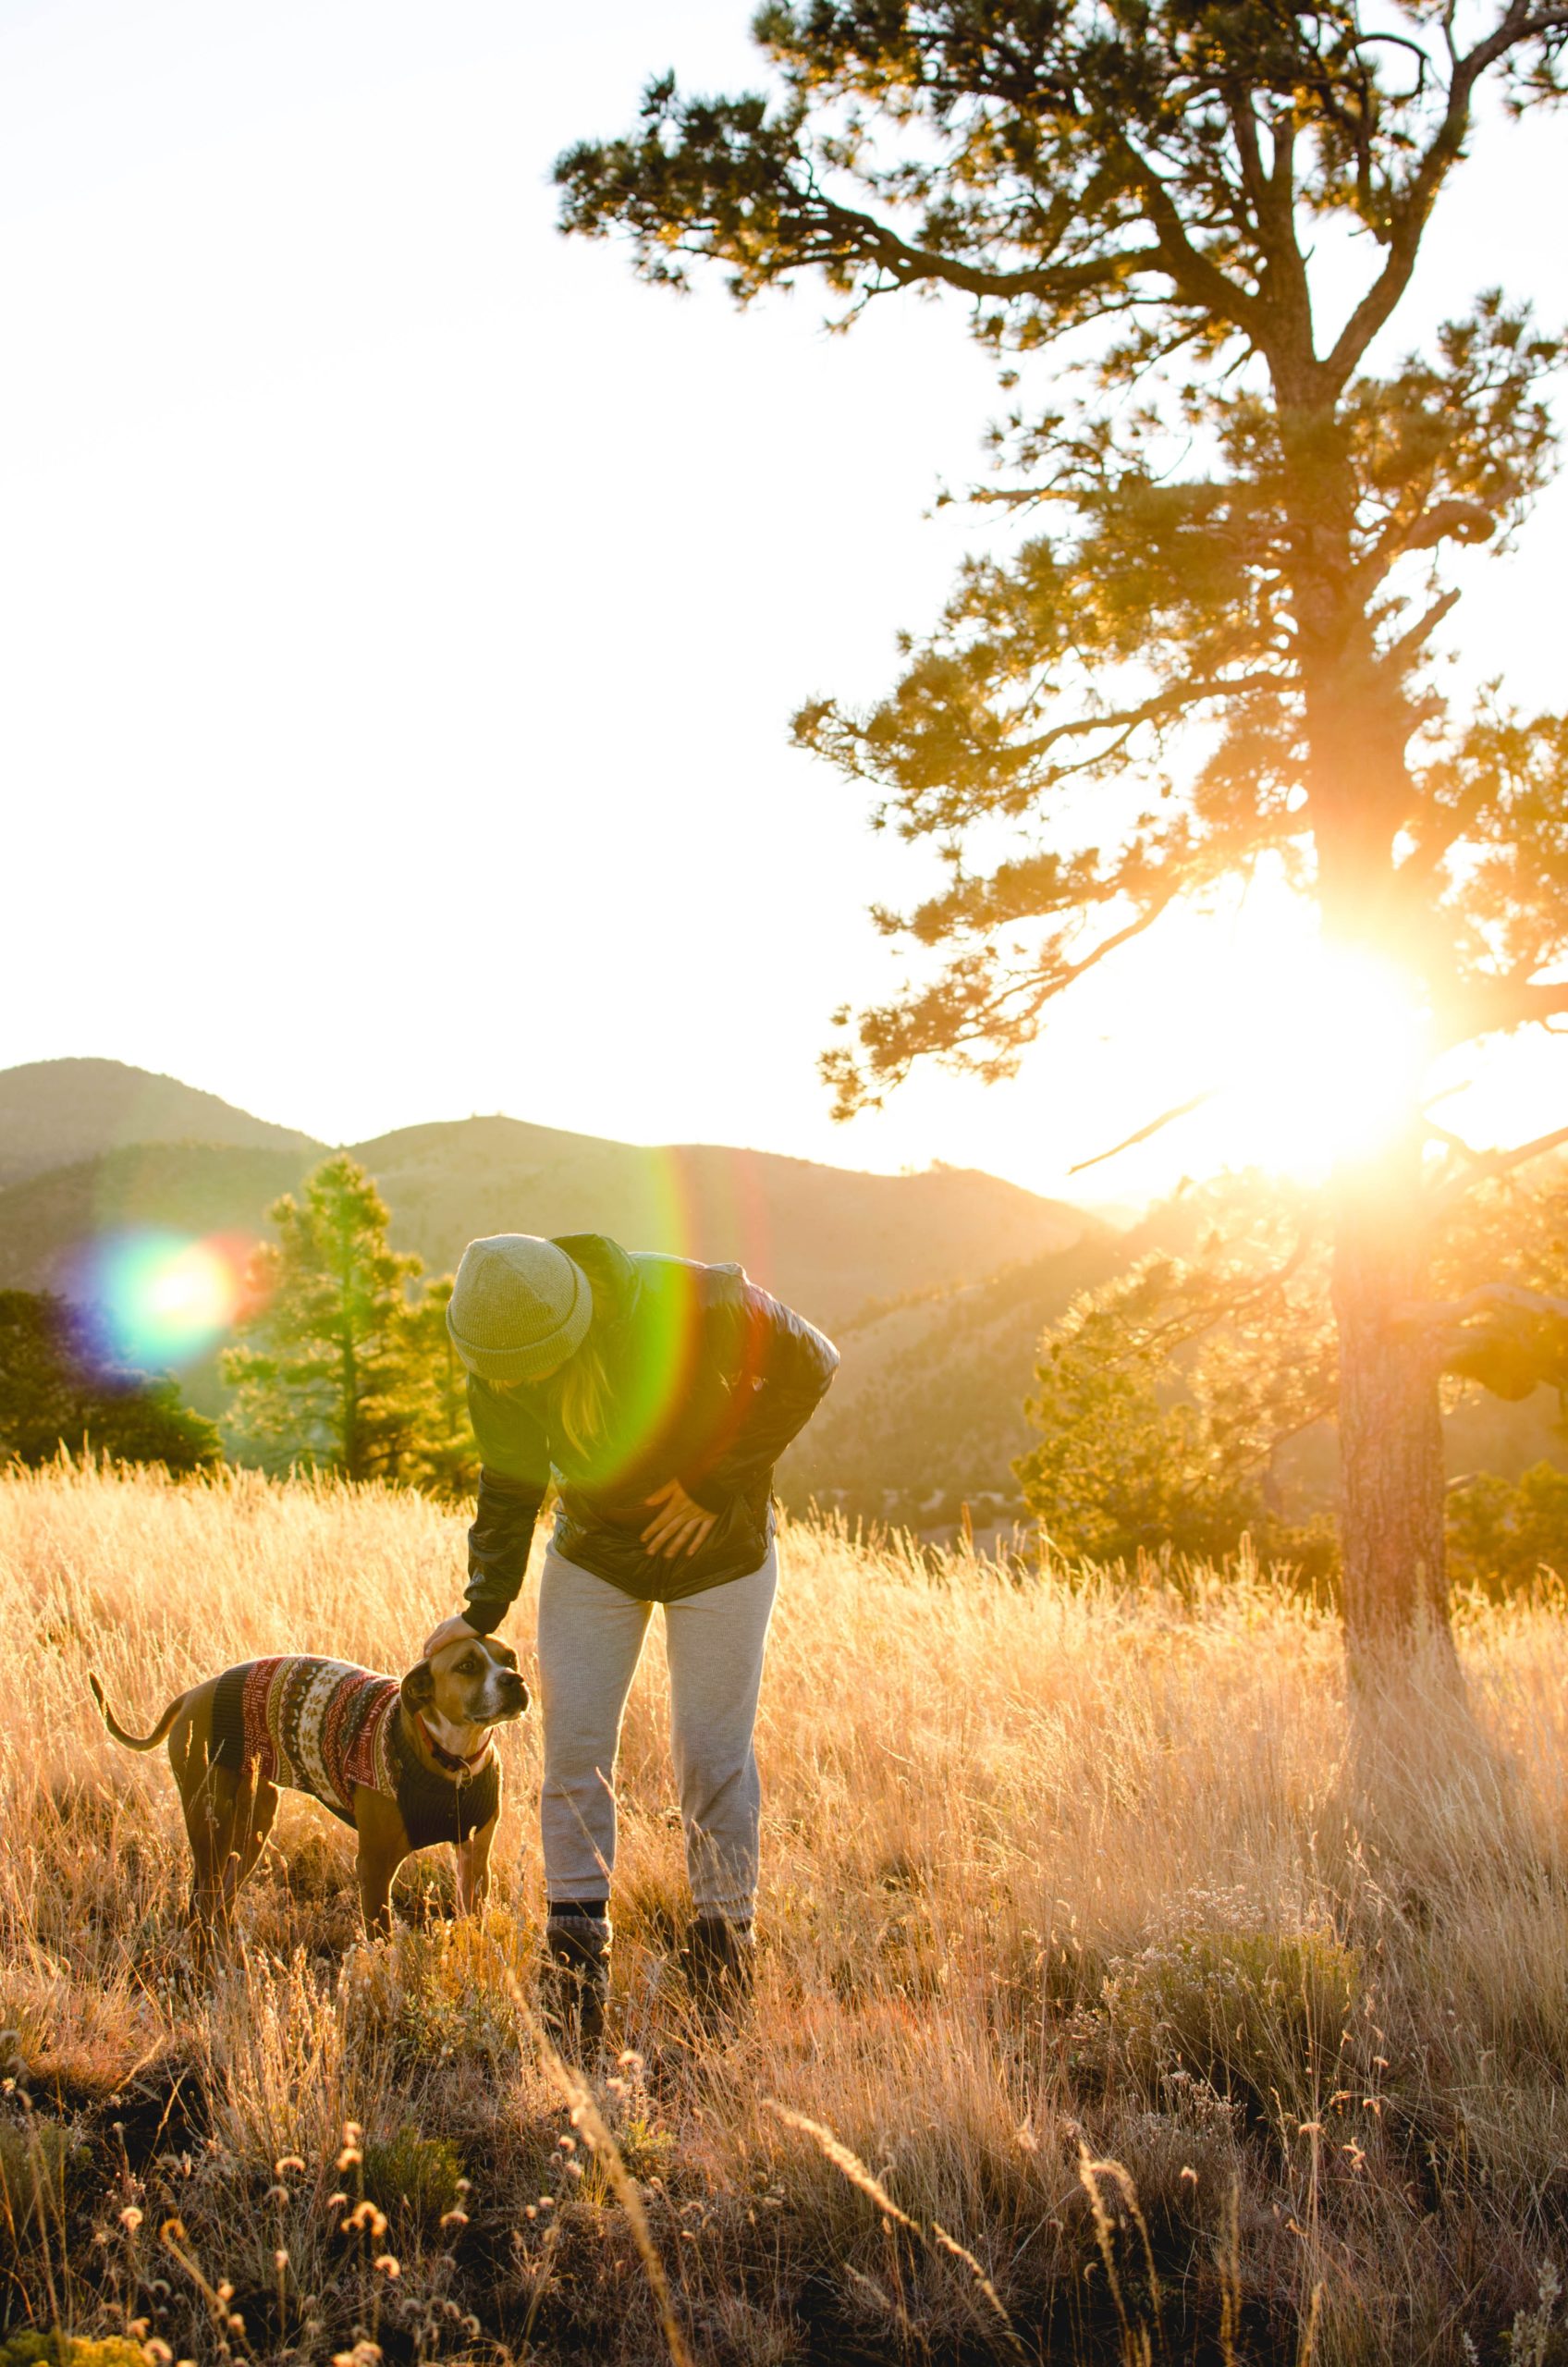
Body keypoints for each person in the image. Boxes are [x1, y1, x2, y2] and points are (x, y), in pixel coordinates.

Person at [423, 1230, 839, 2041]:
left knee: (710, 1758)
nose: (506, 1386)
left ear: (567, 1331)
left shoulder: (692, 1304)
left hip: (720, 1556)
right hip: (596, 1555)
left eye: (521, 1370)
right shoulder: (497, 1359)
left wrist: (716, 1486)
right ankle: (576, 1966)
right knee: (574, 1755)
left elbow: (812, 1360)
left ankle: (724, 1961)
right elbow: (509, 1489)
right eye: (493, 1372)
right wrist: (480, 1609)